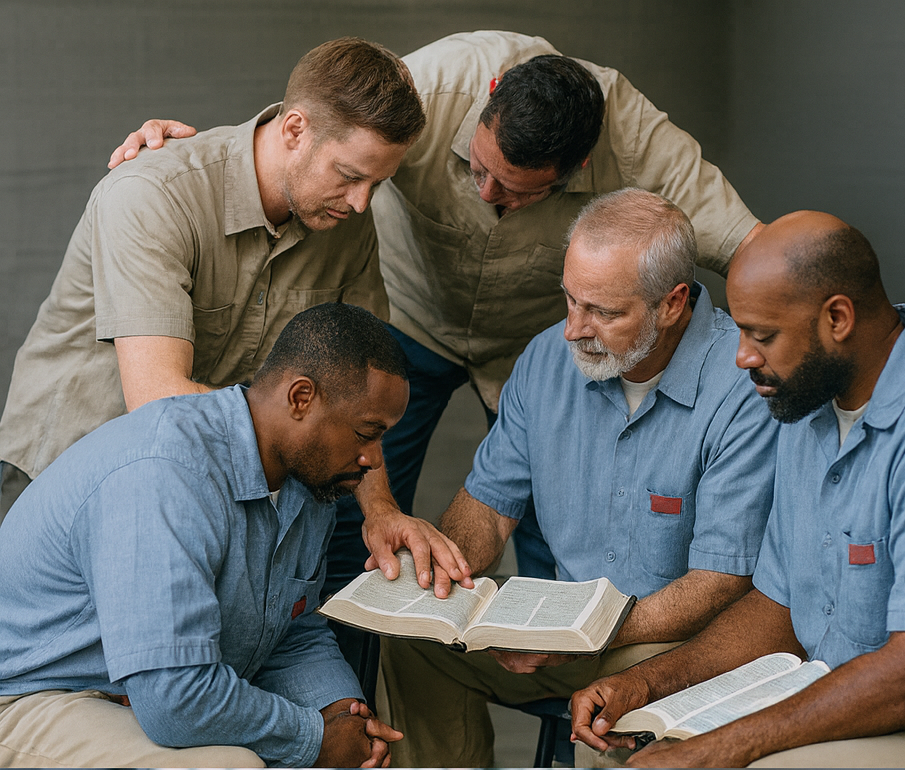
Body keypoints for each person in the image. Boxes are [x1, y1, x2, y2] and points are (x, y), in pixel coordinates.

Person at [108, 29, 765, 587]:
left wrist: (762, 358)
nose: (488, 194)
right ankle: (349, 695)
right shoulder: (435, 85)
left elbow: (755, 251)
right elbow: (319, 126)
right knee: (351, 511)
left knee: (551, 533)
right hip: (407, 318)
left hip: (529, 348)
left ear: (579, 167)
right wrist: (186, 159)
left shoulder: (639, 138)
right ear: (483, 106)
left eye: (516, 192)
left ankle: (567, 701)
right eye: (478, 170)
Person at [570, 211, 905, 768]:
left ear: (838, 318)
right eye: (739, 330)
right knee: (615, 740)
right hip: (833, 683)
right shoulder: (806, 401)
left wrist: (721, 749)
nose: (743, 358)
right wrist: (645, 685)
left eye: (763, 335)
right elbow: (777, 606)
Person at [373, 189, 778, 767]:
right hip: (565, 633)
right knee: (417, 646)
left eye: (602, 312)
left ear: (673, 303)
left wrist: (584, 635)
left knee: (609, 710)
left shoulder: (742, 390)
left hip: (672, 644)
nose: (573, 330)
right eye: (570, 300)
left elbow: (720, 582)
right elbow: (487, 507)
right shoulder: (544, 361)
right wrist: (448, 583)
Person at [0, 37, 425, 526]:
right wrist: (294, 422)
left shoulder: (346, 223)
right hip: (65, 468)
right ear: (294, 130)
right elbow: (159, 400)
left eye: (377, 184)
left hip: (194, 477)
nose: (361, 203)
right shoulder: (151, 194)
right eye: (349, 175)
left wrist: (381, 511)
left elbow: (359, 391)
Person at [0, 302, 417, 767]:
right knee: (228, 765)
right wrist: (314, 738)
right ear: (301, 398)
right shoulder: (163, 474)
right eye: (366, 433)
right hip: (32, 697)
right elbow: (175, 700)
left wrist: (342, 713)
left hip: (143, 696)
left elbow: (292, 633)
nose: (374, 459)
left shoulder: (307, 484)